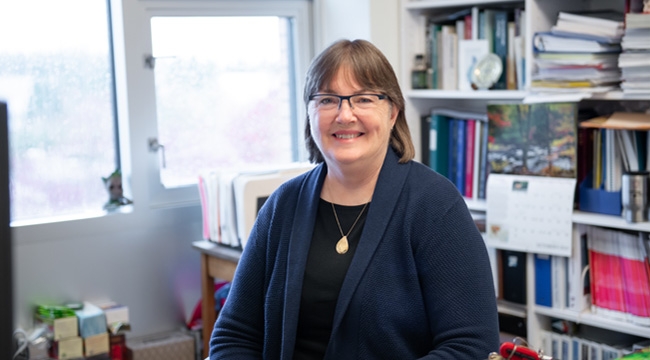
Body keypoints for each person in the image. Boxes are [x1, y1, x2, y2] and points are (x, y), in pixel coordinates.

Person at [209, 39, 500, 359]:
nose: (344, 115)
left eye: (363, 99)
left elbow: (471, 346)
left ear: (393, 113)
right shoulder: (283, 205)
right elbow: (234, 334)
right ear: (309, 113)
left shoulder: (434, 206)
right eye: (328, 99)